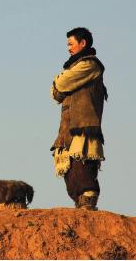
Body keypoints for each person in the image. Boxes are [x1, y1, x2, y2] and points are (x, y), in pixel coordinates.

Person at [50, 27, 108, 210]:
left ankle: (88, 203)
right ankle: (81, 206)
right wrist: (61, 82)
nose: (68, 48)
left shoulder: (90, 65)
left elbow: (60, 84)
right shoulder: (74, 67)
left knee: (82, 163)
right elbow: (56, 95)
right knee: (69, 168)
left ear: (82, 43)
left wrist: (60, 80)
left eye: (71, 43)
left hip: (84, 125)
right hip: (68, 128)